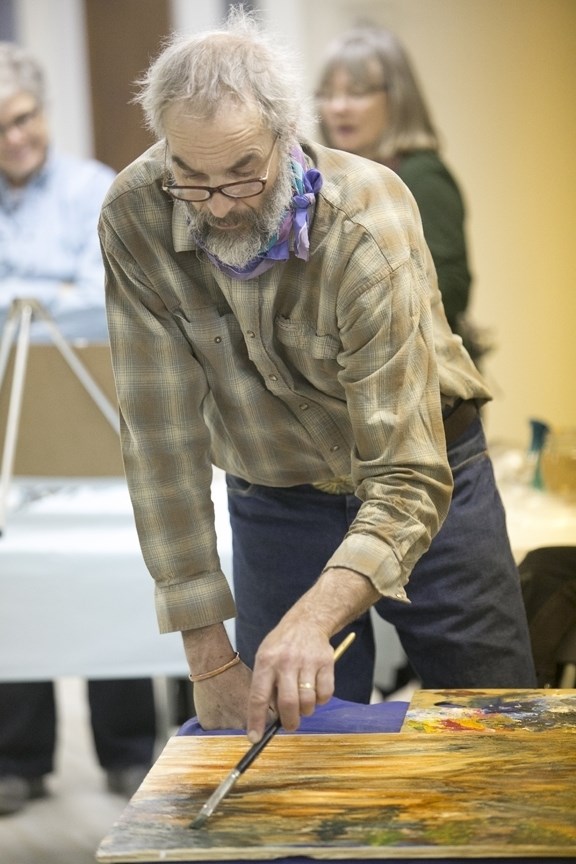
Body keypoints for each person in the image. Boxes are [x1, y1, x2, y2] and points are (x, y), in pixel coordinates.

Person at [98, 7, 536, 747]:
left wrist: (309, 618)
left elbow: (405, 474)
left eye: (243, 173)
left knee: (497, 730)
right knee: (284, 749)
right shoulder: (136, 217)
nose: (222, 204)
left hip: (429, 480)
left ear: (286, 133)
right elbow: (161, 447)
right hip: (275, 494)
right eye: (191, 178)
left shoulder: (367, 216)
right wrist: (208, 656)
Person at [0, 42, 156, 815]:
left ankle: (129, 749)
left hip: (91, 417)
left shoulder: (99, 191)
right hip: (10, 428)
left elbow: (111, 296)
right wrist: (49, 289)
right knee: (15, 586)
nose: (12, 139)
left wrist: (24, 295)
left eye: (22, 119)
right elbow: (60, 297)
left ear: (43, 111)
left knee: (107, 575)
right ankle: (19, 759)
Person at [315, 26, 489, 366]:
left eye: (357, 92)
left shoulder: (422, 175)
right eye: (327, 93)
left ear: (397, 97)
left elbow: (452, 289)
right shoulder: (323, 180)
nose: (338, 107)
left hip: (428, 377)